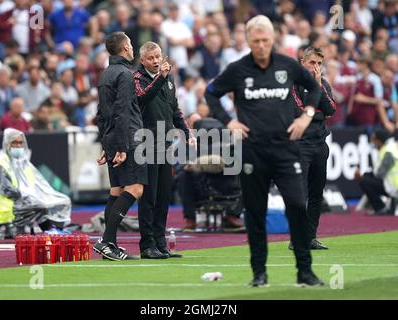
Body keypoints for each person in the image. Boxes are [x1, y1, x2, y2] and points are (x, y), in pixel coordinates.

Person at [204, 15, 324, 287]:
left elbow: (315, 88)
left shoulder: (288, 65)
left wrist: (306, 115)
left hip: (285, 149)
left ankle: (305, 271)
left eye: (265, 40)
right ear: (248, 40)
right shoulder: (237, 69)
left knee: (296, 205)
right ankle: (259, 273)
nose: (260, 45)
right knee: (255, 213)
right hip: (252, 151)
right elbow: (211, 93)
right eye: (255, 40)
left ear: (273, 39)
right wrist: (228, 121)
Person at [134, 41, 195, 259]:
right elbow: (143, 97)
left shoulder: (168, 81)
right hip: (147, 143)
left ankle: (160, 243)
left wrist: (187, 132)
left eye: (158, 56)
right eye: (150, 58)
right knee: (149, 197)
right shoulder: (137, 79)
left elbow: (174, 109)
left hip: (166, 144)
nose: (156, 61)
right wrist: (161, 78)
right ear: (142, 60)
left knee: (163, 196)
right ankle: (146, 245)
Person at [93, 32, 147, 261]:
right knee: (135, 189)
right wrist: (123, 147)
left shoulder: (105, 74)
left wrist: (107, 143)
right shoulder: (125, 75)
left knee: (116, 191)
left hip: (112, 137)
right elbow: (123, 111)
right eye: (131, 44)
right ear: (125, 48)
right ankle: (106, 241)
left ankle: (110, 244)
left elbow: (101, 113)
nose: (133, 48)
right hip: (128, 138)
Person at [289, 46, 337, 250]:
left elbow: (331, 110)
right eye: (312, 63)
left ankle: (310, 237)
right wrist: (317, 111)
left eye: (319, 63)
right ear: (302, 63)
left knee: (317, 193)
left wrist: (317, 89)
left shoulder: (323, 83)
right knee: (300, 194)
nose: (316, 67)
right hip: (300, 144)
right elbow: (298, 111)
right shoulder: (292, 83)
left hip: (319, 144)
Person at [0, 128, 72, 238]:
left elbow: (37, 186)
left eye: (20, 143)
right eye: (14, 143)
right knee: (40, 206)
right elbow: (6, 190)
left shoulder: (23, 165)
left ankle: (54, 229)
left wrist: (42, 195)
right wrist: (28, 196)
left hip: (20, 205)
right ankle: (49, 229)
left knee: (61, 200)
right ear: (7, 144)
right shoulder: (1, 164)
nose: (18, 146)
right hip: (8, 211)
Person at [355, 130, 398, 215]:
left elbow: (380, 174)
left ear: (378, 141)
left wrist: (361, 177)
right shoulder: (391, 147)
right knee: (366, 176)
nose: (372, 142)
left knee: (364, 181)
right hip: (393, 185)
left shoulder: (388, 151)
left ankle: (380, 208)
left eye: (373, 140)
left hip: (394, 187)